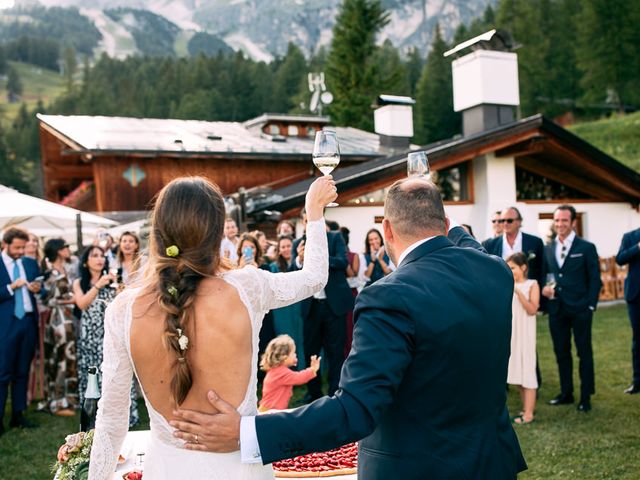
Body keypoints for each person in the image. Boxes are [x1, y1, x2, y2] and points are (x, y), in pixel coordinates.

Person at [172, 178, 527, 480]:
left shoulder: (389, 296)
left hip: (419, 469)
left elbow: (355, 409)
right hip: (493, 462)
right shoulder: (494, 271)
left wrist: (249, 432)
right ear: (445, 223)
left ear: (386, 229)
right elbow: (465, 241)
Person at [88, 175, 336, 479]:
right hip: (241, 469)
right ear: (218, 230)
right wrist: (314, 212)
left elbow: (111, 422)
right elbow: (314, 278)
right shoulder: (248, 288)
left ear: (158, 231)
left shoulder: (124, 310)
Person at [542, 205, 601, 412]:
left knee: (584, 353)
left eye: (564, 221)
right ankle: (566, 393)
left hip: (580, 309)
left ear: (573, 222)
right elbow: (545, 275)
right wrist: (544, 289)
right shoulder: (548, 247)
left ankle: (586, 396)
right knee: (561, 352)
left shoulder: (586, 247)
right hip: (556, 308)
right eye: (557, 221)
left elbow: (595, 279)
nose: (560, 225)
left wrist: (590, 306)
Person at [291, 209, 354, 400]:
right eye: (306, 220)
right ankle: (313, 392)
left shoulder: (335, 237)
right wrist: (300, 260)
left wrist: (317, 256)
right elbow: (293, 272)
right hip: (311, 307)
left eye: (313, 219)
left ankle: (336, 392)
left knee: (335, 351)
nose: (309, 223)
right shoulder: (298, 243)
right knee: (311, 351)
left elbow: (343, 262)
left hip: (333, 305)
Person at [73, 245, 139, 426]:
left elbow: (122, 303)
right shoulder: (79, 282)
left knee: (115, 370)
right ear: (86, 262)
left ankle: (122, 415)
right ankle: (92, 414)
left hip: (110, 332)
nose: (99, 259)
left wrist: (118, 287)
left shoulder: (114, 279)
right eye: (94, 256)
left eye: (102, 255)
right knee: (92, 374)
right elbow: (81, 304)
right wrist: (98, 285)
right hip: (90, 334)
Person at [0, 227, 41, 435]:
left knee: (22, 371)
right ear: (5, 244)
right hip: (5, 326)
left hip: (27, 322)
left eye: (23, 247)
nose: (20, 251)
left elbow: (41, 287)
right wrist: (10, 288)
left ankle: (18, 415)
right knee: (2, 373)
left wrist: (37, 289)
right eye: (17, 247)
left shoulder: (30, 263)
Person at [40, 239, 78, 416]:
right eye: (65, 247)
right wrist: (72, 300)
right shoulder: (50, 273)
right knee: (59, 358)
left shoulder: (67, 269)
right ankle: (57, 402)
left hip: (69, 319)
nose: (68, 249)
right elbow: (47, 299)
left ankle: (69, 399)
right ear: (58, 251)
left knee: (69, 357)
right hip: (57, 320)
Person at [506, 253, 540, 425]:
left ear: (523, 267)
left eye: (512, 267)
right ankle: (525, 407)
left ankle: (529, 414)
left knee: (527, 371)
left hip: (525, 334)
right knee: (518, 372)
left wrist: (518, 293)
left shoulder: (531, 285)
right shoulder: (506, 285)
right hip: (513, 333)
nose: (509, 270)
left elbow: (532, 309)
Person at [483, 207, 545, 290]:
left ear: (519, 222)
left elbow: (542, 270)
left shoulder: (535, 242)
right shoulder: (489, 245)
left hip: (528, 295)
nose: (505, 223)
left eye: (509, 221)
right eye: (502, 221)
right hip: (500, 292)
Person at [258, 335, 320, 412]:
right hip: (271, 412)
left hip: (270, 410)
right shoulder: (281, 373)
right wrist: (312, 370)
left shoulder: (276, 370)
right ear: (284, 357)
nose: (295, 355)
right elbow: (299, 378)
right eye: (293, 353)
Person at [269, 236, 305, 369]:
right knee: (284, 338)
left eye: (288, 246)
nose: (286, 249)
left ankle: (301, 368)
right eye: (283, 247)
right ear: (279, 250)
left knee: (300, 336)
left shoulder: (301, 264)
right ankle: (285, 370)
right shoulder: (274, 267)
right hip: (282, 309)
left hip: (298, 305)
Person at [615, 227, 640, 394]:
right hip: (636, 295)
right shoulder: (630, 237)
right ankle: (638, 382)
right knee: (637, 340)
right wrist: (638, 247)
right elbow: (620, 259)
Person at [340, 226, 360, 357]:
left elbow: (353, 275)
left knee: (350, 328)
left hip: (351, 296)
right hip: (338, 296)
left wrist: (344, 261)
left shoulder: (354, 256)